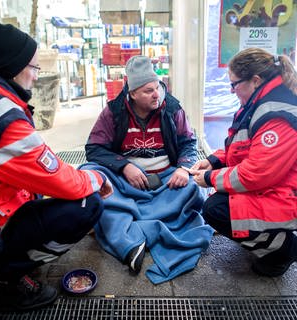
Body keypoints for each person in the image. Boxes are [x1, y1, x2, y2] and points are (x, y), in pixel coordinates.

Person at [0, 22, 113, 310]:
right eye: (34, 68)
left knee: (35, 191)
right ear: (12, 67)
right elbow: (59, 178)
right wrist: (97, 179)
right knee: (86, 205)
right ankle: (5, 282)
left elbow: (38, 161)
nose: (36, 77)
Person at [84, 55, 213, 284]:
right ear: (132, 93)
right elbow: (94, 148)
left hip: (167, 180)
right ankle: (138, 237)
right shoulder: (113, 111)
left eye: (157, 88)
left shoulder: (172, 108)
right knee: (90, 176)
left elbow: (188, 143)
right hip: (125, 181)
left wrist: (183, 169)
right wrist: (124, 166)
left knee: (196, 186)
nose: (156, 94)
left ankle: (129, 227)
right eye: (147, 91)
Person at [189, 47, 297, 277]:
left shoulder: (276, 113)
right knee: (220, 202)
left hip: (286, 196)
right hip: (275, 187)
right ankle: (270, 239)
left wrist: (209, 178)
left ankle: (283, 250)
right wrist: (213, 161)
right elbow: (242, 147)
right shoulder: (259, 102)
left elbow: (256, 173)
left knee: (216, 209)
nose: (231, 90)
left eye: (234, 84)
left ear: (255, 80)